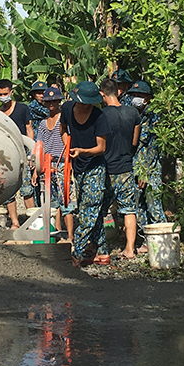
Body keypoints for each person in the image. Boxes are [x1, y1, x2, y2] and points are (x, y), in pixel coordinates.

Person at [60, 81, 110, 267]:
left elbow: (101, 147)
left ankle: (77, 251)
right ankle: (102, 251)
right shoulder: (66, 109)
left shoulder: (100, 117)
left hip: (95, 166)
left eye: (85, 103)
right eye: (78, 102)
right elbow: (63, 128)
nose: (81, 105)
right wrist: (68, 146)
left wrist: (83, 151)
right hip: (77, 166)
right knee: (89, 209)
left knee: (89, 210)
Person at [99, 78, 142, 259]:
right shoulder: (133, 113)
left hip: (106, 167)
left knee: (100, 208)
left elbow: (99, 143)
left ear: (102, 95)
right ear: (118, 92)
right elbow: (134, 141)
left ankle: (101, 248)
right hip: (126, 166)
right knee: (129, 209)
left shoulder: (101, 116)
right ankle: (130, 249)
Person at [128, 81, 167, 252]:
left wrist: (145, 173)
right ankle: (146, 242)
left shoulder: (155, 117)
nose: (137, 99)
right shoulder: (134, 116)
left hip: (150, 171)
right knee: (139, 207)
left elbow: (153, 149)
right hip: (135, 168)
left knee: (153, 207)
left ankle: (164, 243)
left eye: (141, 95)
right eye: (134, 95)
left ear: (149, 98)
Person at [36, 87, 75, 242]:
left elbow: (69, 141)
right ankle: (56, 231)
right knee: (50, 202)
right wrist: (37, 168)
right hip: (46, 164)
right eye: (48, 101)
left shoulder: (63, 121)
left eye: (54, 101)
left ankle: (70, 235)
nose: (51, 104)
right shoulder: (43, 124)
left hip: (61, 163)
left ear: (59, 102)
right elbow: (39, 145)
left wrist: (68, 163)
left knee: (66, 201)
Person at [0, 79, 36, 229]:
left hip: (22, 154)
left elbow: (29, 129)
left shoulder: (22, 109)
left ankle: (32, 222)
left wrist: (31, 154)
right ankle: (14, 222)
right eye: (0, 94)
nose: (3, 96)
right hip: (6, 157)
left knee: (27, 190)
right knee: (9, 192)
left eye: (5, 93)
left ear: (11, 92)